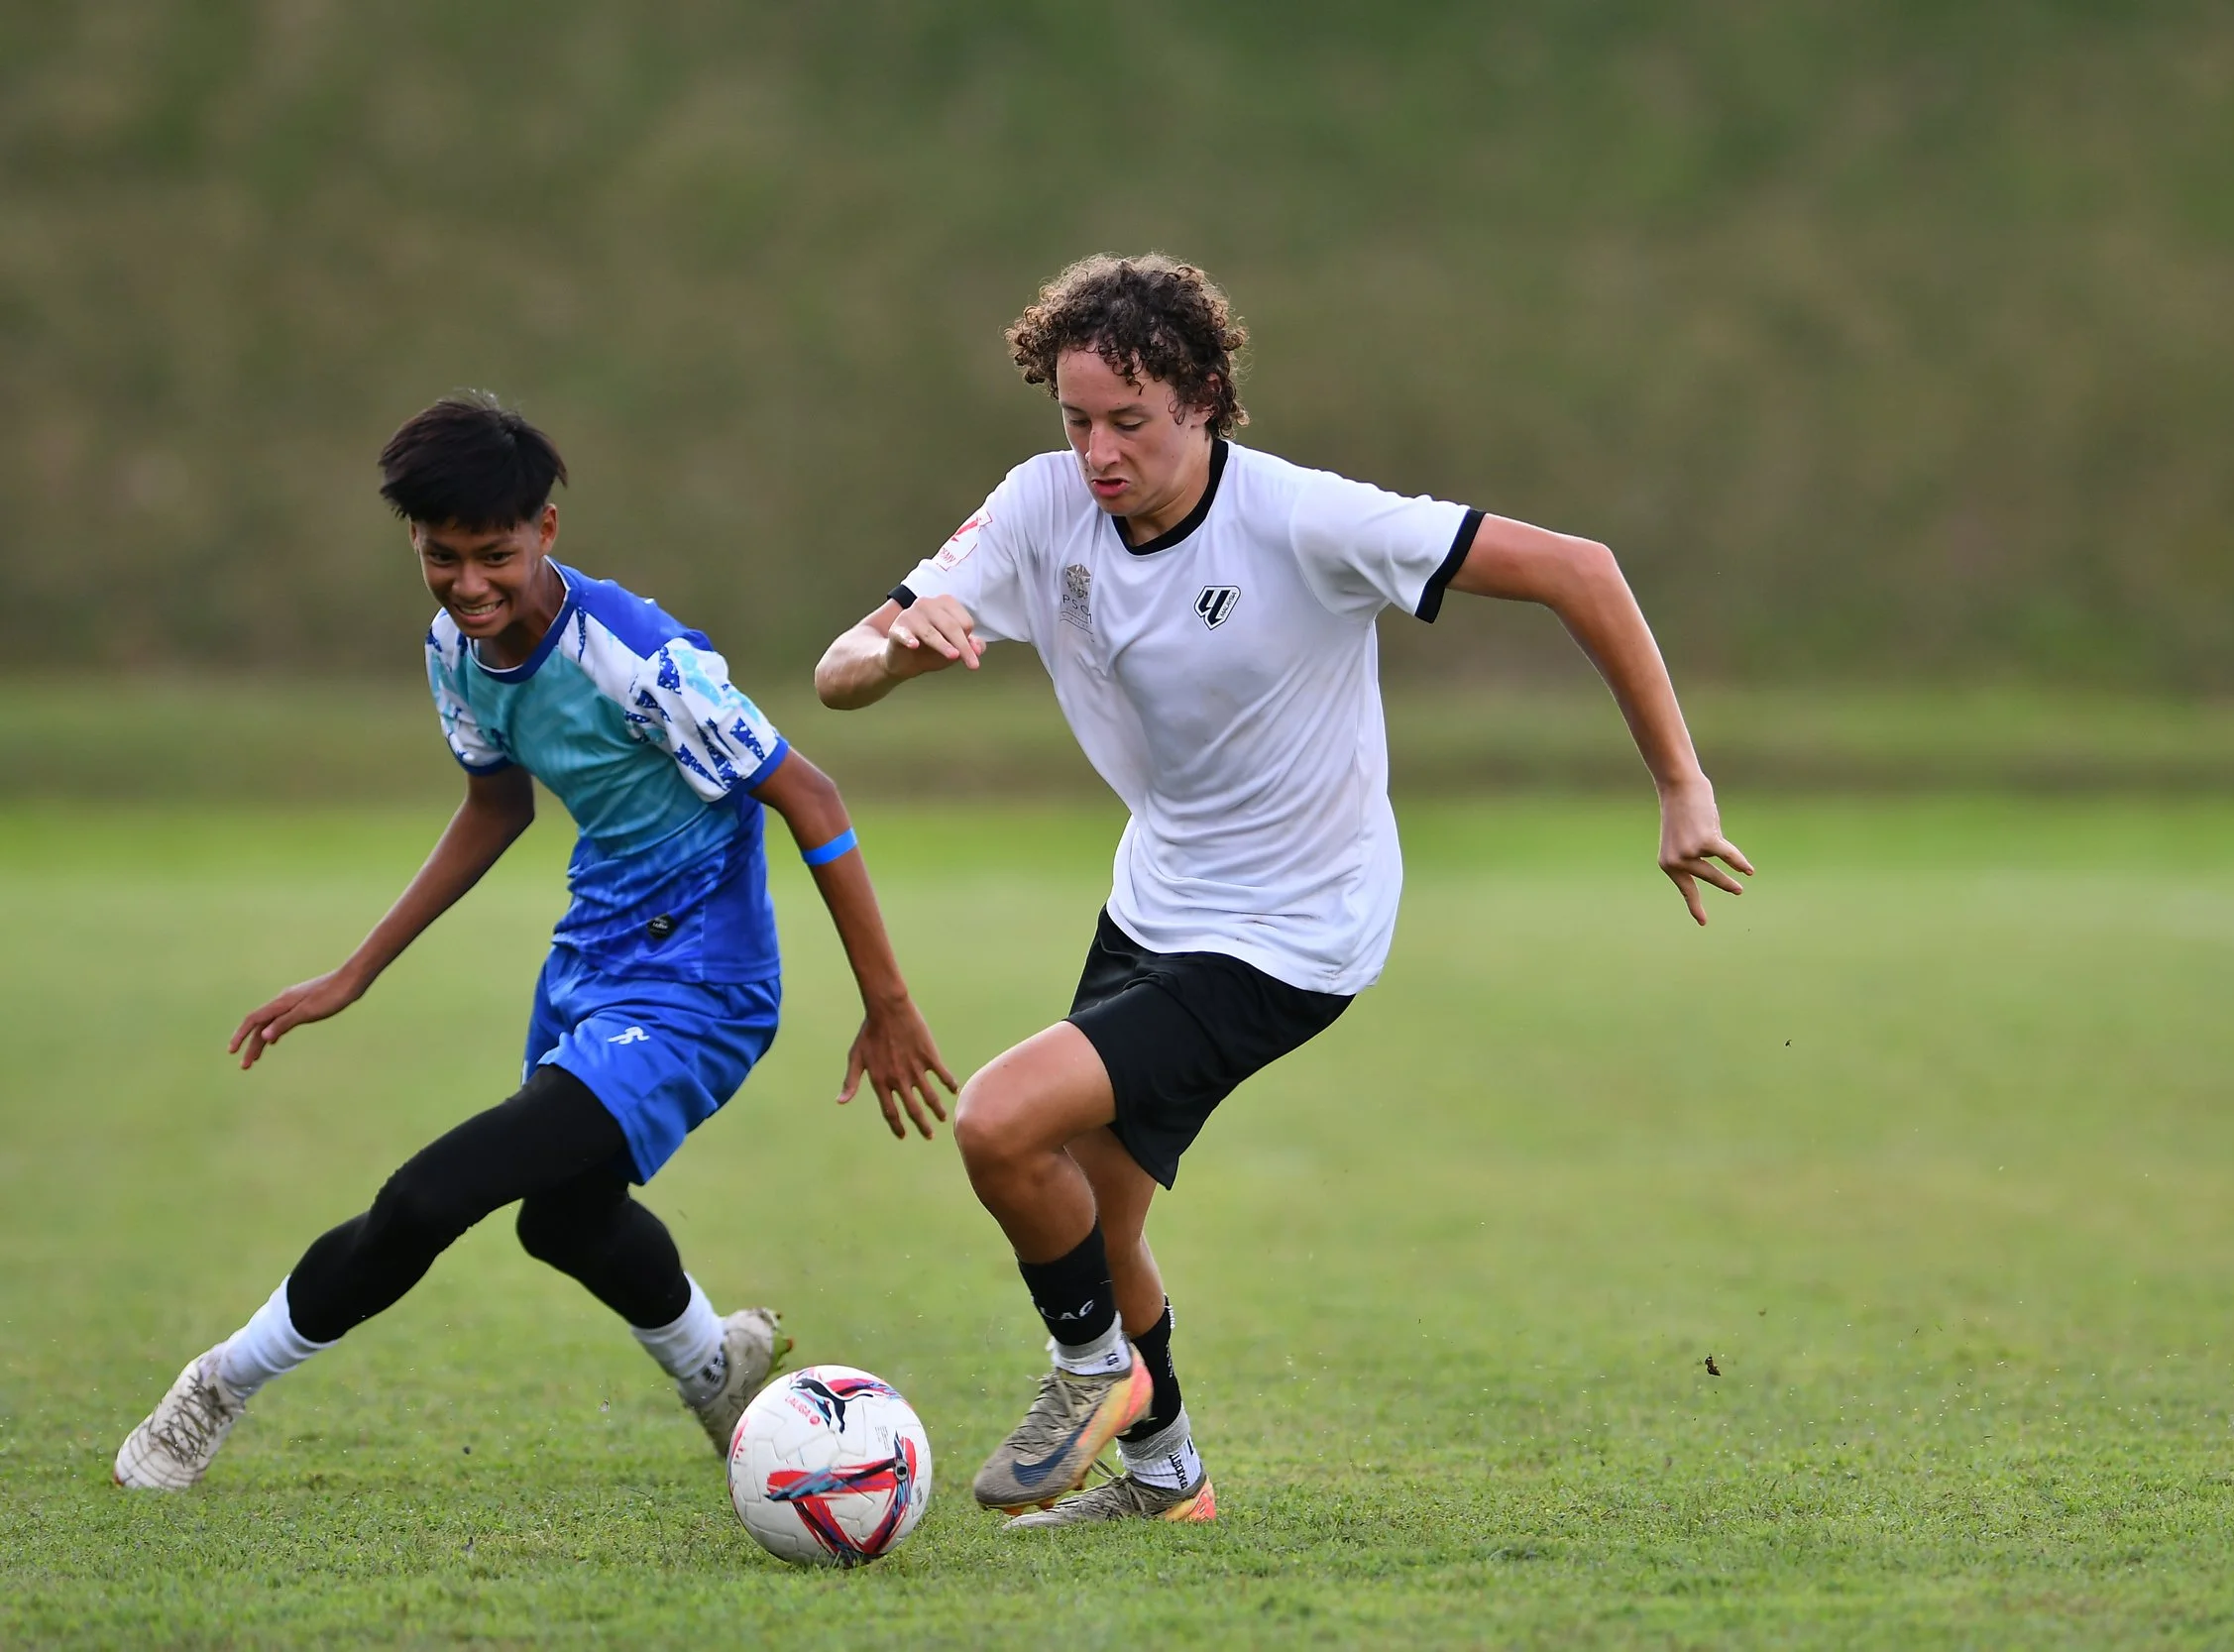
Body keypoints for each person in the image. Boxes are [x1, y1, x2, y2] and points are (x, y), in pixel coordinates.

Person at [811, 255, 1753, 1528]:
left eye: (1130, 422)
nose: (1098, 452)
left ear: (1204, 399)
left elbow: (1579, 567)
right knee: (1098, 1217)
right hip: (1157, 899)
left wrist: (1681, 783)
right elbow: (839, 669)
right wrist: (892, 652)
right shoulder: (1040, 505)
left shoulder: (1305, 521)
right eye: (1077, 420)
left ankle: (1092, 1371)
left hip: (1296, 930)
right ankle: (1167, 1478)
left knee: (999, 1122)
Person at [114, 394, 955, 1491]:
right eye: (441, 555)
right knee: (565, 1220)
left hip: (699, 992)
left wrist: (887, 1003)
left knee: (429, 1196)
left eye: (494, 555)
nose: (468, 584)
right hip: (588, 964)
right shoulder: (454, 652)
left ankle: (215, 1386)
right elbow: (494, 806)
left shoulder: (642, 661)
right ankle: (719, 1367)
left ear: (545, 529)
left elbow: (813, 795)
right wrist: (353, 974)